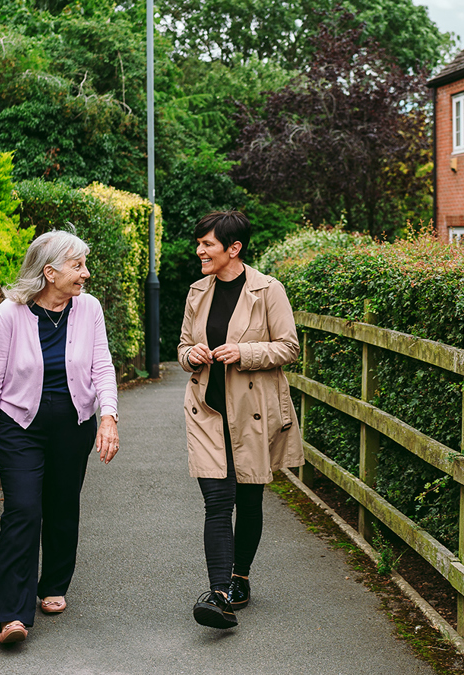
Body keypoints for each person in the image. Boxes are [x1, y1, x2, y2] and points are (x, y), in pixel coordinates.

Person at [0, 230, 119, 644]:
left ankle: (53, 583)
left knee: (62, 504)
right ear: (49, 272)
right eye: (78, 265)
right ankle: (10, 615)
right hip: (21, 426)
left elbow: (102, 367)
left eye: (85, 265)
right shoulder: (10, 314)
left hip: (74, 425)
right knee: (22, 510)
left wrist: (108, 417)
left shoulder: (88, 309)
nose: (85, 274)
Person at [177, 211, 304, 629]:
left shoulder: (269, 290)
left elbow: (288, 347)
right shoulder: (198, 291)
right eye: (199, 243)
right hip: (207, 411)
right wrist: (190, 355)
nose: (200, 251)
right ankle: (218, 595)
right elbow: (182, 346)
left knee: (249, 498)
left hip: (252, 414)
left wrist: (243, 353)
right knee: (217, 500)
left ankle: (240, 577)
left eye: (207, 244)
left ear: (234, 249)